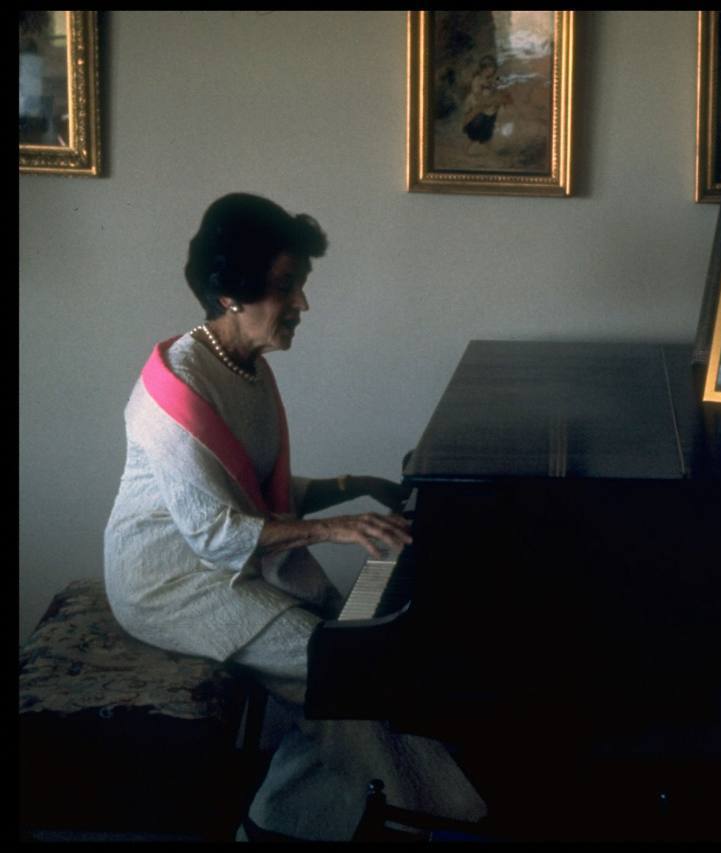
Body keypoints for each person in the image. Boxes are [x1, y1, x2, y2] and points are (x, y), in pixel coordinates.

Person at [102, 193, 487, 840]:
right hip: (170, 582)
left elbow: (255, 491)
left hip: (225, 561)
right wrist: (338, 528)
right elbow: (219, 530)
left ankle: (304, 816)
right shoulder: (182, 384)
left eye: (299, 285)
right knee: (338, 671)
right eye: (287, 287)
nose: (303, 304)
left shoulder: (241, 365)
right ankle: (416, 814)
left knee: (348, 672)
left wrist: (349, 487)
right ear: (232, 292)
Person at [462, 55, 512, 153]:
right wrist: (492, 98)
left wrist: (497, 89)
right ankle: (472, 145)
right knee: (479, 122)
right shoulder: (477, 80)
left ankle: (486, 142)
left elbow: (492, 90)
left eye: (493, 69)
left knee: (489, 122)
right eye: (490, 69)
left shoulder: (489, 80)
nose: (492, 71)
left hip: (488, 106)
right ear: (484, 68)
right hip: (478, 106)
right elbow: (479, 97)